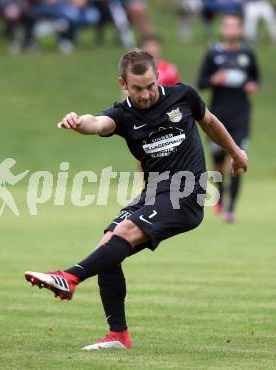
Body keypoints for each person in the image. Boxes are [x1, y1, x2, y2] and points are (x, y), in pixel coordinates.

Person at [24, 49, 248, 350]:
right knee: (107, 246)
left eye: (150, 85)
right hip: (153, 194)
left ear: (157, 78)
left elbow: (209, 122)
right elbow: (98, 123)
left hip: (187, 194)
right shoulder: (123, 114)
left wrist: (236, 152)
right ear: (124, 84)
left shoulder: (183, 96)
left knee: (123, 235)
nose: (145, 94)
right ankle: (118, 335)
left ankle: (69, 277)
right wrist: (79, 123)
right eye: (138, 88)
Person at [197, 14, 259, 222]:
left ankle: (231, 209)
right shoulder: (213, 54)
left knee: (238, 157)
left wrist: (253, 85)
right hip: (217, 115)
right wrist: (215, 79)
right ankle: (221, 198)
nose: (231, 30)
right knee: (218, 163)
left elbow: (255, 77)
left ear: (240, 30)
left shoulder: (247, 54)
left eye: (235, 26)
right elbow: (201, 82)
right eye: (228, 26)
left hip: (241, 114)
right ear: (223, 30)